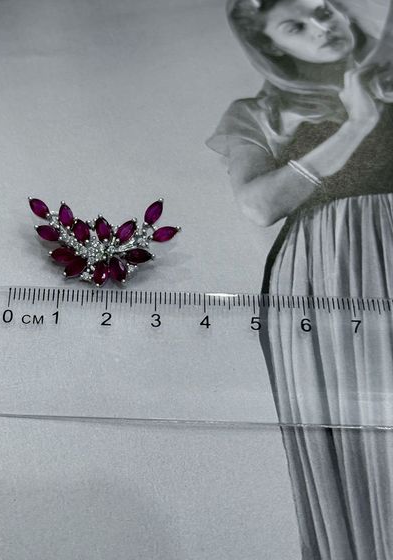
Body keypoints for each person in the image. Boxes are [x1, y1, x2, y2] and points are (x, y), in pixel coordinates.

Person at [207, 1, 393, 558]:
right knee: (367, 450)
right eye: (296, 26)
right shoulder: (258, 112)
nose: (321, 26)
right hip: (330, 273)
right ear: (270, 44)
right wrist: (357, 125)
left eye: (323, 9)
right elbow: (259, 205)